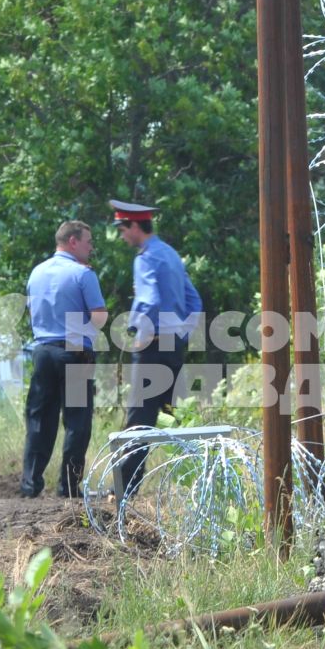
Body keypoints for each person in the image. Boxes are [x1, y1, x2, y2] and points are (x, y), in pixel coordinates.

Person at [110, 199, 197, 496]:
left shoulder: (145, 258)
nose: (122, 236)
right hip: (173, 348)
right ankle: (193, 483)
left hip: (152, 348)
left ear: (135, 226)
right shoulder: (171, 254)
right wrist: (181, 335)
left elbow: (148, 300)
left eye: (123, 229)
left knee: (139, 421)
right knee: (175, 417)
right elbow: (193, 301)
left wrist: (138, 331)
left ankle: (124, 492)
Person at [21, 219, 108, 498]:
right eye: (88, 241)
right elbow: (99, 318)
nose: (91, 247)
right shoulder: (83, 275)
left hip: (43, 350)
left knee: (39, 420)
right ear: (73, 241)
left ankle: (30, 485)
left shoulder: (36, 272)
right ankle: (68, 487)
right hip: (74, 349)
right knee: (77, 422)